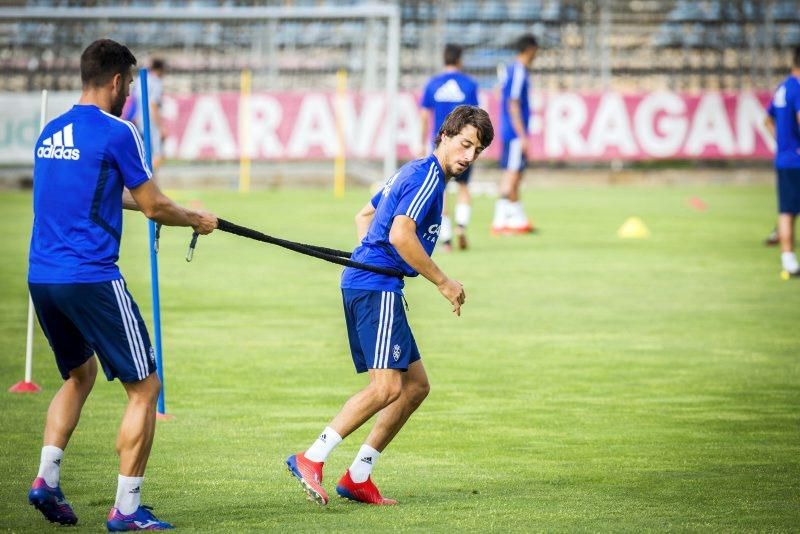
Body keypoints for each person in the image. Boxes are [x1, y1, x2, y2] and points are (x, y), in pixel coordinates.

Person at [26, 39, 217, 530]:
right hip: (90, 276)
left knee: (80, 375)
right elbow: (153, 205)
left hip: (42, 276)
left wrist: (181, 213)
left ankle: (46, 479)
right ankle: (127, 510)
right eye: (129, 84)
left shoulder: (50, 131)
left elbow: (101, 194)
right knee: (145, 387)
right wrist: (192, 218)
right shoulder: (119, 131)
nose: (129, 92)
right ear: (116, 81)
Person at [286, 105, 494, 506]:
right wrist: (443, 282)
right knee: (386, 387)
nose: (469, 156)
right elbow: (401, 235)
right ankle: (310, 457)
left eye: (477, 150)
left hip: (375, 282)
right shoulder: (428, 178)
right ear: (445, 136)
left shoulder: (414, 170)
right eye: (465, 144)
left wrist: (368, 254)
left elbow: (364, 213)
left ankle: (358, 475)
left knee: (415, 387)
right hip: (376, 287)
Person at [419, 44, 480, 250]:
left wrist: (421, 142)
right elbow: (474, 117)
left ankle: (445, 240)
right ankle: (461, 227)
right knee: (463, 187)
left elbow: (425, 115)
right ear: (460, 60)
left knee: (441, 190)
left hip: (441, 145)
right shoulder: (469, 84)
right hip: (463, 144)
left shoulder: (433, 84)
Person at [492, 34, 538, 234]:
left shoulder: (511, 70)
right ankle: (500, 221)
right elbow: (512, 102)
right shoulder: (518, 71)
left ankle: (517, 219)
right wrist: (522, 135)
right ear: (530, 49)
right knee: (511, 174)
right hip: (514, 132)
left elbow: (498, 91)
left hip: (509, 131)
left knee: (516, 174)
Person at [765, 46, 800, 276]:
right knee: (789, 210)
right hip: (796, 160)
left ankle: (788, 259)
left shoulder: (782, 87)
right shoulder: (797, 88)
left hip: (784, 159)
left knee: (787, 209)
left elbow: (767, 120)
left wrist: (782, 143)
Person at [128, 58, 167, 171]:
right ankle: (144, 181)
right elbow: (153, 105)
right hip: (150, 121)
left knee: (145, 156)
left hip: (139, 120)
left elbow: (135, 100)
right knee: (159, 156)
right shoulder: (156, 82)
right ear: (161, 69)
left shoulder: (141, 79)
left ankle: (147, 181)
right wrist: (161, 128)